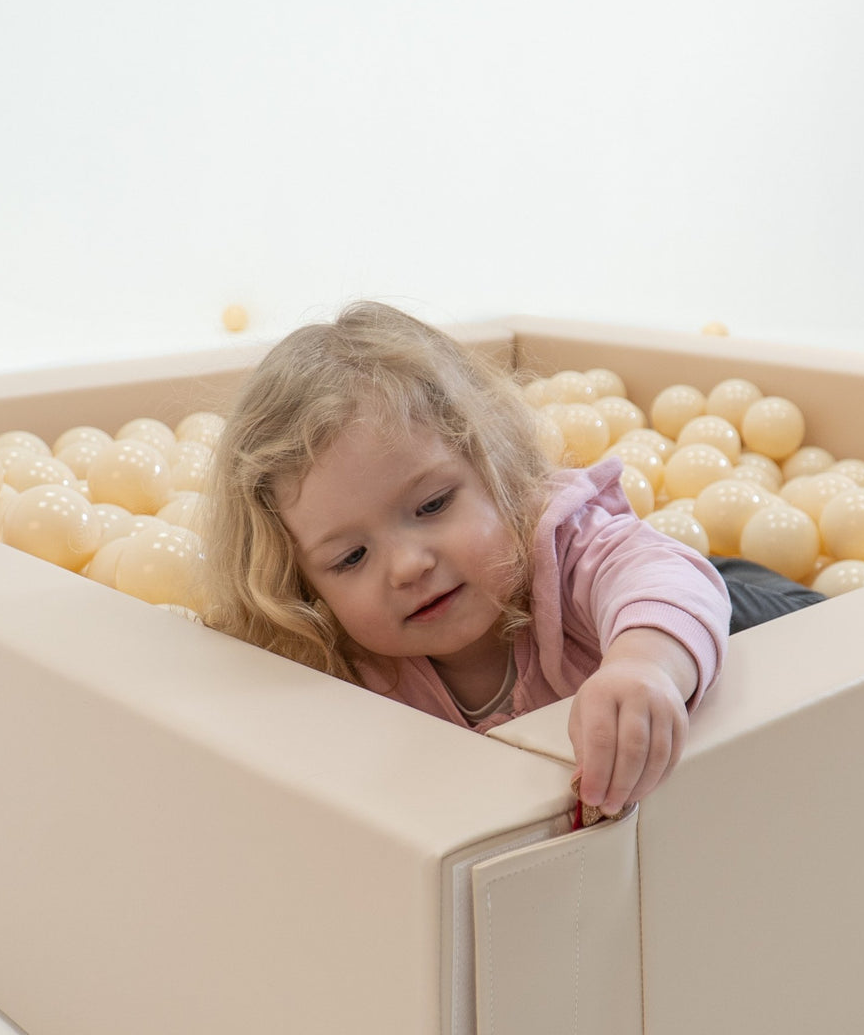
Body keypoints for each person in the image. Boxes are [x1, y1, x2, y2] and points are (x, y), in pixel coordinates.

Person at [200, 302, 805, 820]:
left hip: (725, 604)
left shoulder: (562, 543)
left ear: (496, 469)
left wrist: (644, 666)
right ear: (303, 589)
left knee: (733, 595)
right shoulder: (346, 665)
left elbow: (656, 575)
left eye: (433, 504)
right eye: (351, 556)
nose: (408, 565)